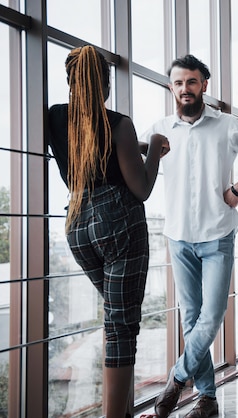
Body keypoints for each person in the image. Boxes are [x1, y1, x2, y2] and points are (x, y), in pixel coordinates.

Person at [140, 55, 238, 418]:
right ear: (172, 88)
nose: (184, 89)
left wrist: (237, 189)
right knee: (190, 319)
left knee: (212, 314)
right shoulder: (159, 130)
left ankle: (177, 379)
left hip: (217, 234)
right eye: (178, 83)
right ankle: (207, 399)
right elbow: (133, 163)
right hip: (178, 236)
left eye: (191, 82)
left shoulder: (227, 125)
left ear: (204, 84)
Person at [47, 45, 170, 418]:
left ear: (71, 81)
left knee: (117, 316)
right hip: (118, 222)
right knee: (121, 325)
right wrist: (155, 153)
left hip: (78, 223)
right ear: (105, 82)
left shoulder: (53, 117)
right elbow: (141, 188)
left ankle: (124, 409)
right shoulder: (119, 123)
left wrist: (136, 148)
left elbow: (90, 147)